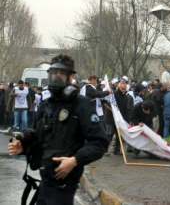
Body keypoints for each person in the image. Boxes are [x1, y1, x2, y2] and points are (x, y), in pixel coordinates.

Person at [8, 54, 109, 205]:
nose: (56, 77)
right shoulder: (45, 105)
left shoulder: (82, 105)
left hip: (64, 185)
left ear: (70, 77)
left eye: (61, 73)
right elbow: (37, 136)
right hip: (45, 181)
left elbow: (100, 142)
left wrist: (75, 160)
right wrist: (23, 146)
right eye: (53, 73)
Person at [113, 77, 134, 155]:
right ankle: (108, 149)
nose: (123, 88)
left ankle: (117, 149)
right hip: (115, 117)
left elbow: (127, 109)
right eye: (122, 85)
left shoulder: (126, 96)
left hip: (123, 118)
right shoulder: (114, 95)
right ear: (119, 86)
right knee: (112, 134)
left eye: (124, 86)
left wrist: (128, 119)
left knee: (120, 135)